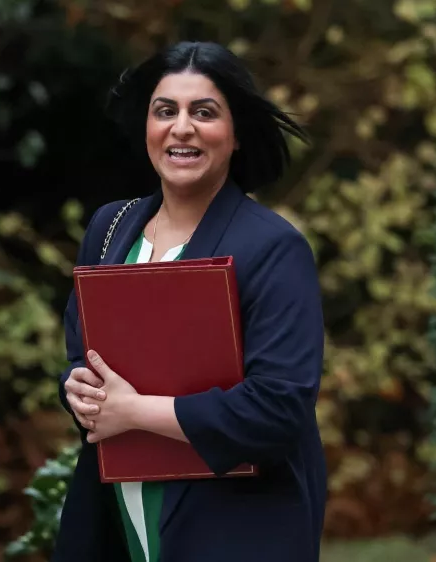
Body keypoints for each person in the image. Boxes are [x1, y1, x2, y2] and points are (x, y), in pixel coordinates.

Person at [53, 41, 327, 562]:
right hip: (118, 511)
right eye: (166, 111)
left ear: (236, 132)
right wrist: (78, 391)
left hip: (235, 523)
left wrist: (135, 411)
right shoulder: (110, 229)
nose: (182, 128)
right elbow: (80, 357)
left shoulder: (273, 248)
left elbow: (278, 407)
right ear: (146, 127)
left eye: (204, 112)